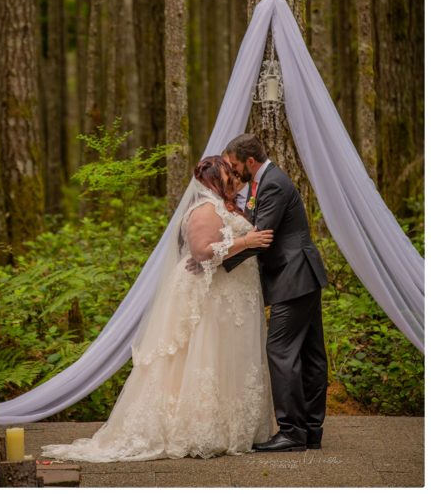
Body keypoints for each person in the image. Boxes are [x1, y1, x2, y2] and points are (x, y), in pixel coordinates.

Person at [42, 155, 275, 461]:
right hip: (205, 295)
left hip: (225, 295)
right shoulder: (204, 209)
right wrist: (246, 241)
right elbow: (202, 251)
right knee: (199, 355)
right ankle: (196, 428)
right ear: (212, 180)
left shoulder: (220, 206)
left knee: (222, 356)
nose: (232, 178)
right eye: (226, 174)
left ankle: (232, 426)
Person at [221, 133, 329, 452]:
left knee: (280, 350)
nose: (234, 170)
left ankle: (292, 430)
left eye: (236, 164)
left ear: (250, 162)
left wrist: (218, 261)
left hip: (292, 276)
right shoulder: (268, 181)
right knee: (311, 354)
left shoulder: (273, 183)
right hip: (301, 275)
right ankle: (310, 429)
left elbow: (262, 237)